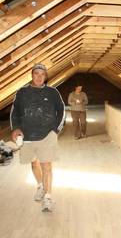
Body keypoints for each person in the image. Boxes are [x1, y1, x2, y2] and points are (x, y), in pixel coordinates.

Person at [10, 63, 65, 212]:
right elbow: (14, 113)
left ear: (46, 76)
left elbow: (62, 110)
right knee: (34, 164)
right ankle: (40, 186)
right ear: (32, 75)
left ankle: (48, 197)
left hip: (47, 135)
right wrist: (15, 128)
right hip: (27, 136)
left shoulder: (53, 92)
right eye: (36, 74)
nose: (39, 77)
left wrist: (55, 130)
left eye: (42, 74)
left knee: (47, 165)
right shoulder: (21, 92)